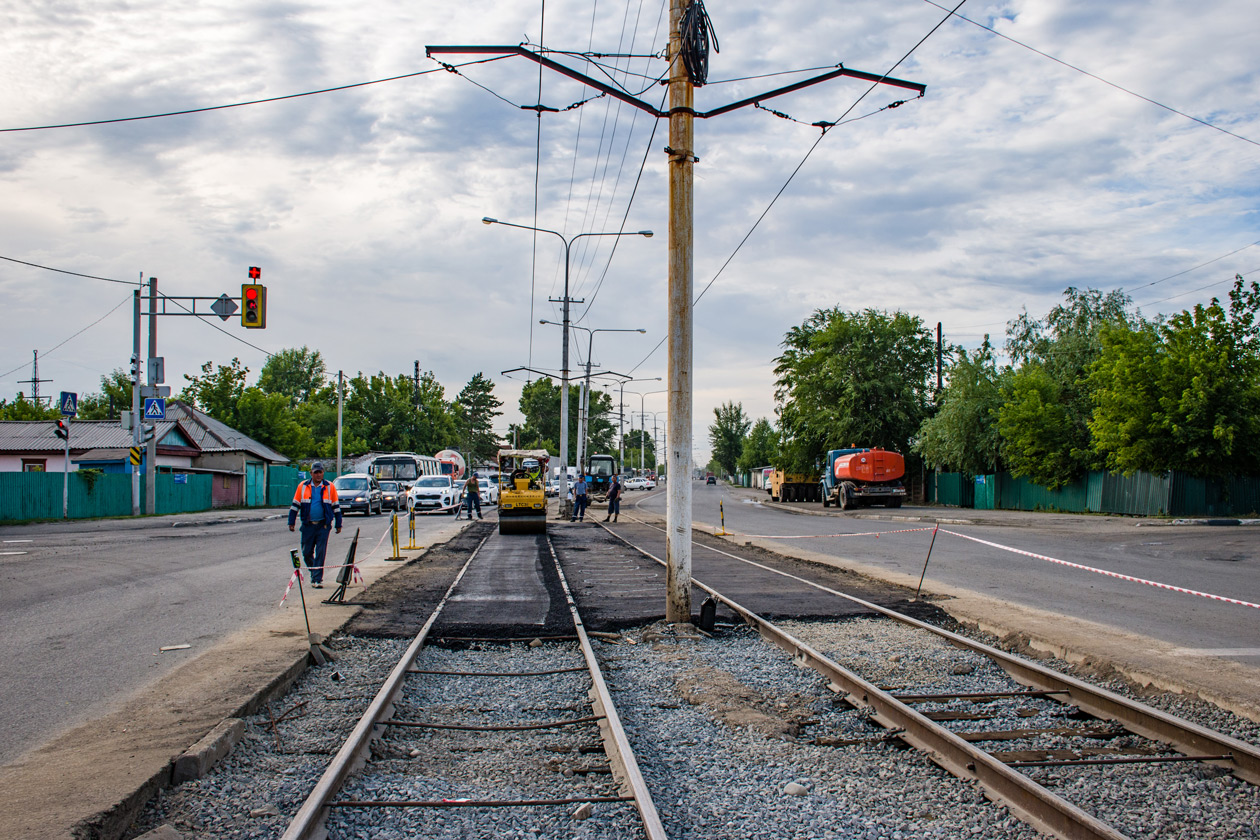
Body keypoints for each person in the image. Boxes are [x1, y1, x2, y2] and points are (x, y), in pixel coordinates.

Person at [288, 463, 342, 589]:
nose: (318, 475)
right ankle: (314, 571)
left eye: (320, 472)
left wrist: (338, 523)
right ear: (311, 473)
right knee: (306, 552)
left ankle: (317, 579)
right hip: (308, 525)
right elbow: (295, 505)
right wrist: (291, 522)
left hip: (323, 525)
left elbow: (336, 506)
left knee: (320, 552)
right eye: (316, 472)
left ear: (323, 473)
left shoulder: (329, 486)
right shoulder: (303, 486)